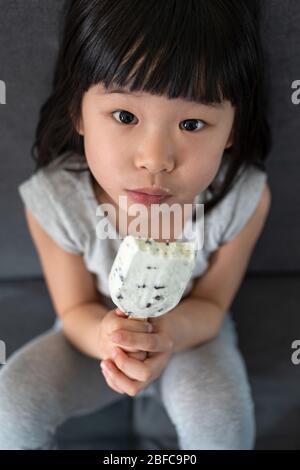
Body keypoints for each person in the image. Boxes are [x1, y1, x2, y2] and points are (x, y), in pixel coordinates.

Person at [0, 0, 272, 450]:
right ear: (78, 113)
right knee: (11, 404)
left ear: (231, 130)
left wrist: (168, 334)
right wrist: (109, 338)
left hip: (190, 332)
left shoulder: (241, 200)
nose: (156, 159)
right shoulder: (57, 203)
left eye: (192, 122)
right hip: (93, 333)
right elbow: (73, 311)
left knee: (219, 417)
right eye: (125, 116)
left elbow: (212, 306)